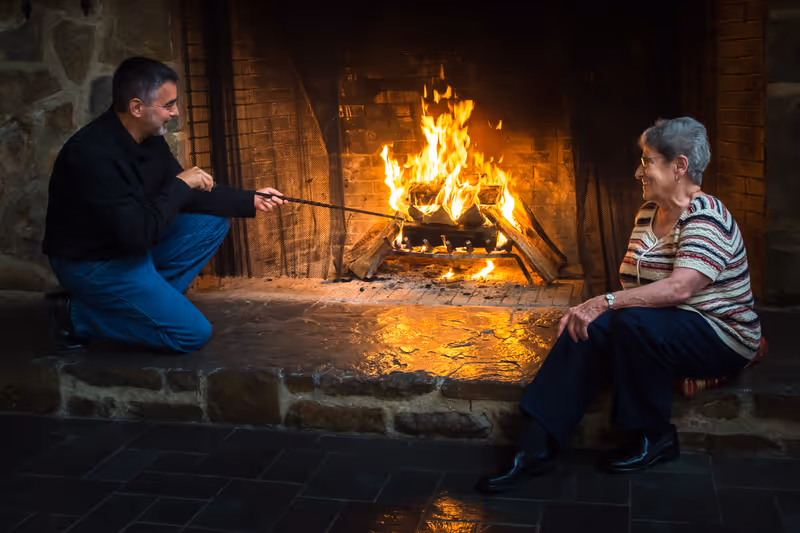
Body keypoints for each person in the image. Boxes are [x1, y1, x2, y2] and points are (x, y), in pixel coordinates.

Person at [479, 117, 761, 492]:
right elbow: (637, 290)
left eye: (647, 161)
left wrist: (604, 303)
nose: (638, 171)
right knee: (589, 326)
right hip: (664, 326)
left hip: (721, 334)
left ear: (679, 166)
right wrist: (595, 314)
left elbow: (680, 290)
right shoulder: (648, 213)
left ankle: (654, 436)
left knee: (624, 320)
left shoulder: (707, 216)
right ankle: (534, 445)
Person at [43, 57, 286, 354]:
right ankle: (75, 315)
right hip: (95, 263)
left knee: (212, 221)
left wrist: (250, 198)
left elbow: (185, 196)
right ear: (136, 107)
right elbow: (139, 233)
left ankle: (149, 306)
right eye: (169, 105)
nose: (176, 112)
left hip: (129, 248)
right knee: (192, 334)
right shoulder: (93, 156)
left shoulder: (148, 138)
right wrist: (180, 184)